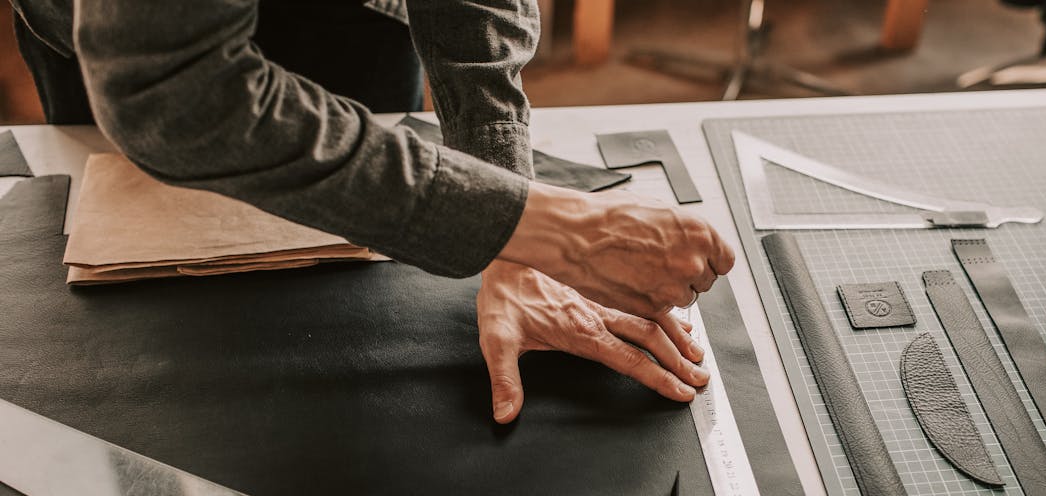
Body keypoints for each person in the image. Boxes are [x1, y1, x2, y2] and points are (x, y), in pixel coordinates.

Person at [9, 0, 736, 423]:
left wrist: (503, 199)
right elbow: (172, 90)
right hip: (139, 37)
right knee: (153, 381)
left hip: (351, 18)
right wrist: (546, 227)